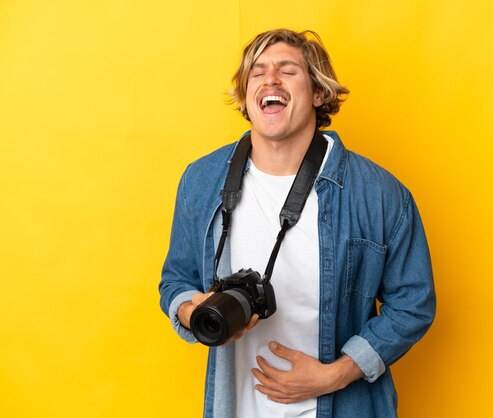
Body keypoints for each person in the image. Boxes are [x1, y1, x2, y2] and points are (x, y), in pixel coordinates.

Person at [159, 29, 436, 418]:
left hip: (345, 406)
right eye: (257, 72)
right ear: (245, 96)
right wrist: (193, 312)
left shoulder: (379, 194)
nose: (270, 79)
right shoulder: (201, 180)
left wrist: (336, 375)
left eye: (287, 70)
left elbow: (413, 304)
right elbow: (176, 280)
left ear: (318, 93)